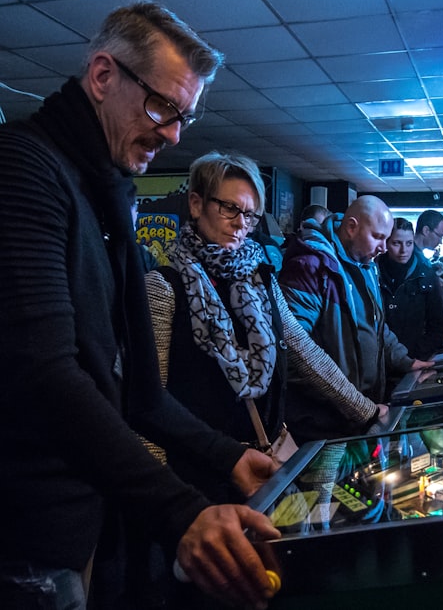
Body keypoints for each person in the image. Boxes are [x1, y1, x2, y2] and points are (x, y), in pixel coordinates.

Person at [0, 0, 279, 609]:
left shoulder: (107, 192)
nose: (173, 134)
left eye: (183, 118)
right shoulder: (22, 165)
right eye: (163, 107)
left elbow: (138, 393)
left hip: (90, 526)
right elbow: (44, 375)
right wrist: (182, 511)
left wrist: (230, 458)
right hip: (27, 539)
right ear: (103, 77)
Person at [145, 152, 381, 504]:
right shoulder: (164, 287)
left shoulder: (261, 281)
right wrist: (168, 504)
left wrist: (367, 411)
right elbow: (148, 405)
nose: (241, 223)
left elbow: (303, 351)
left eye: (250, 214)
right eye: (230, 208)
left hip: (264, 467)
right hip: (197, 482)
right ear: (196, 204)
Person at [279, 196, 433, 439]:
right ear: (351, 227)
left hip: (362, 413)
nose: (384, 248)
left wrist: (406, 361)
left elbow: (376, 325)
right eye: (378, 237)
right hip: (322, 423)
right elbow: (294, 352)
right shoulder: (309, 266)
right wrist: (358, 406)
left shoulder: (366, 264)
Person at [377, 218, 443, 360]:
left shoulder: (427, 274)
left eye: (409, 243)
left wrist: (416, 355)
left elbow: (439, 325)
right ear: (386, 242)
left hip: (413, 358)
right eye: (396, 243)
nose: (404, 250)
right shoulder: (372, 271)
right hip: (378, 361)